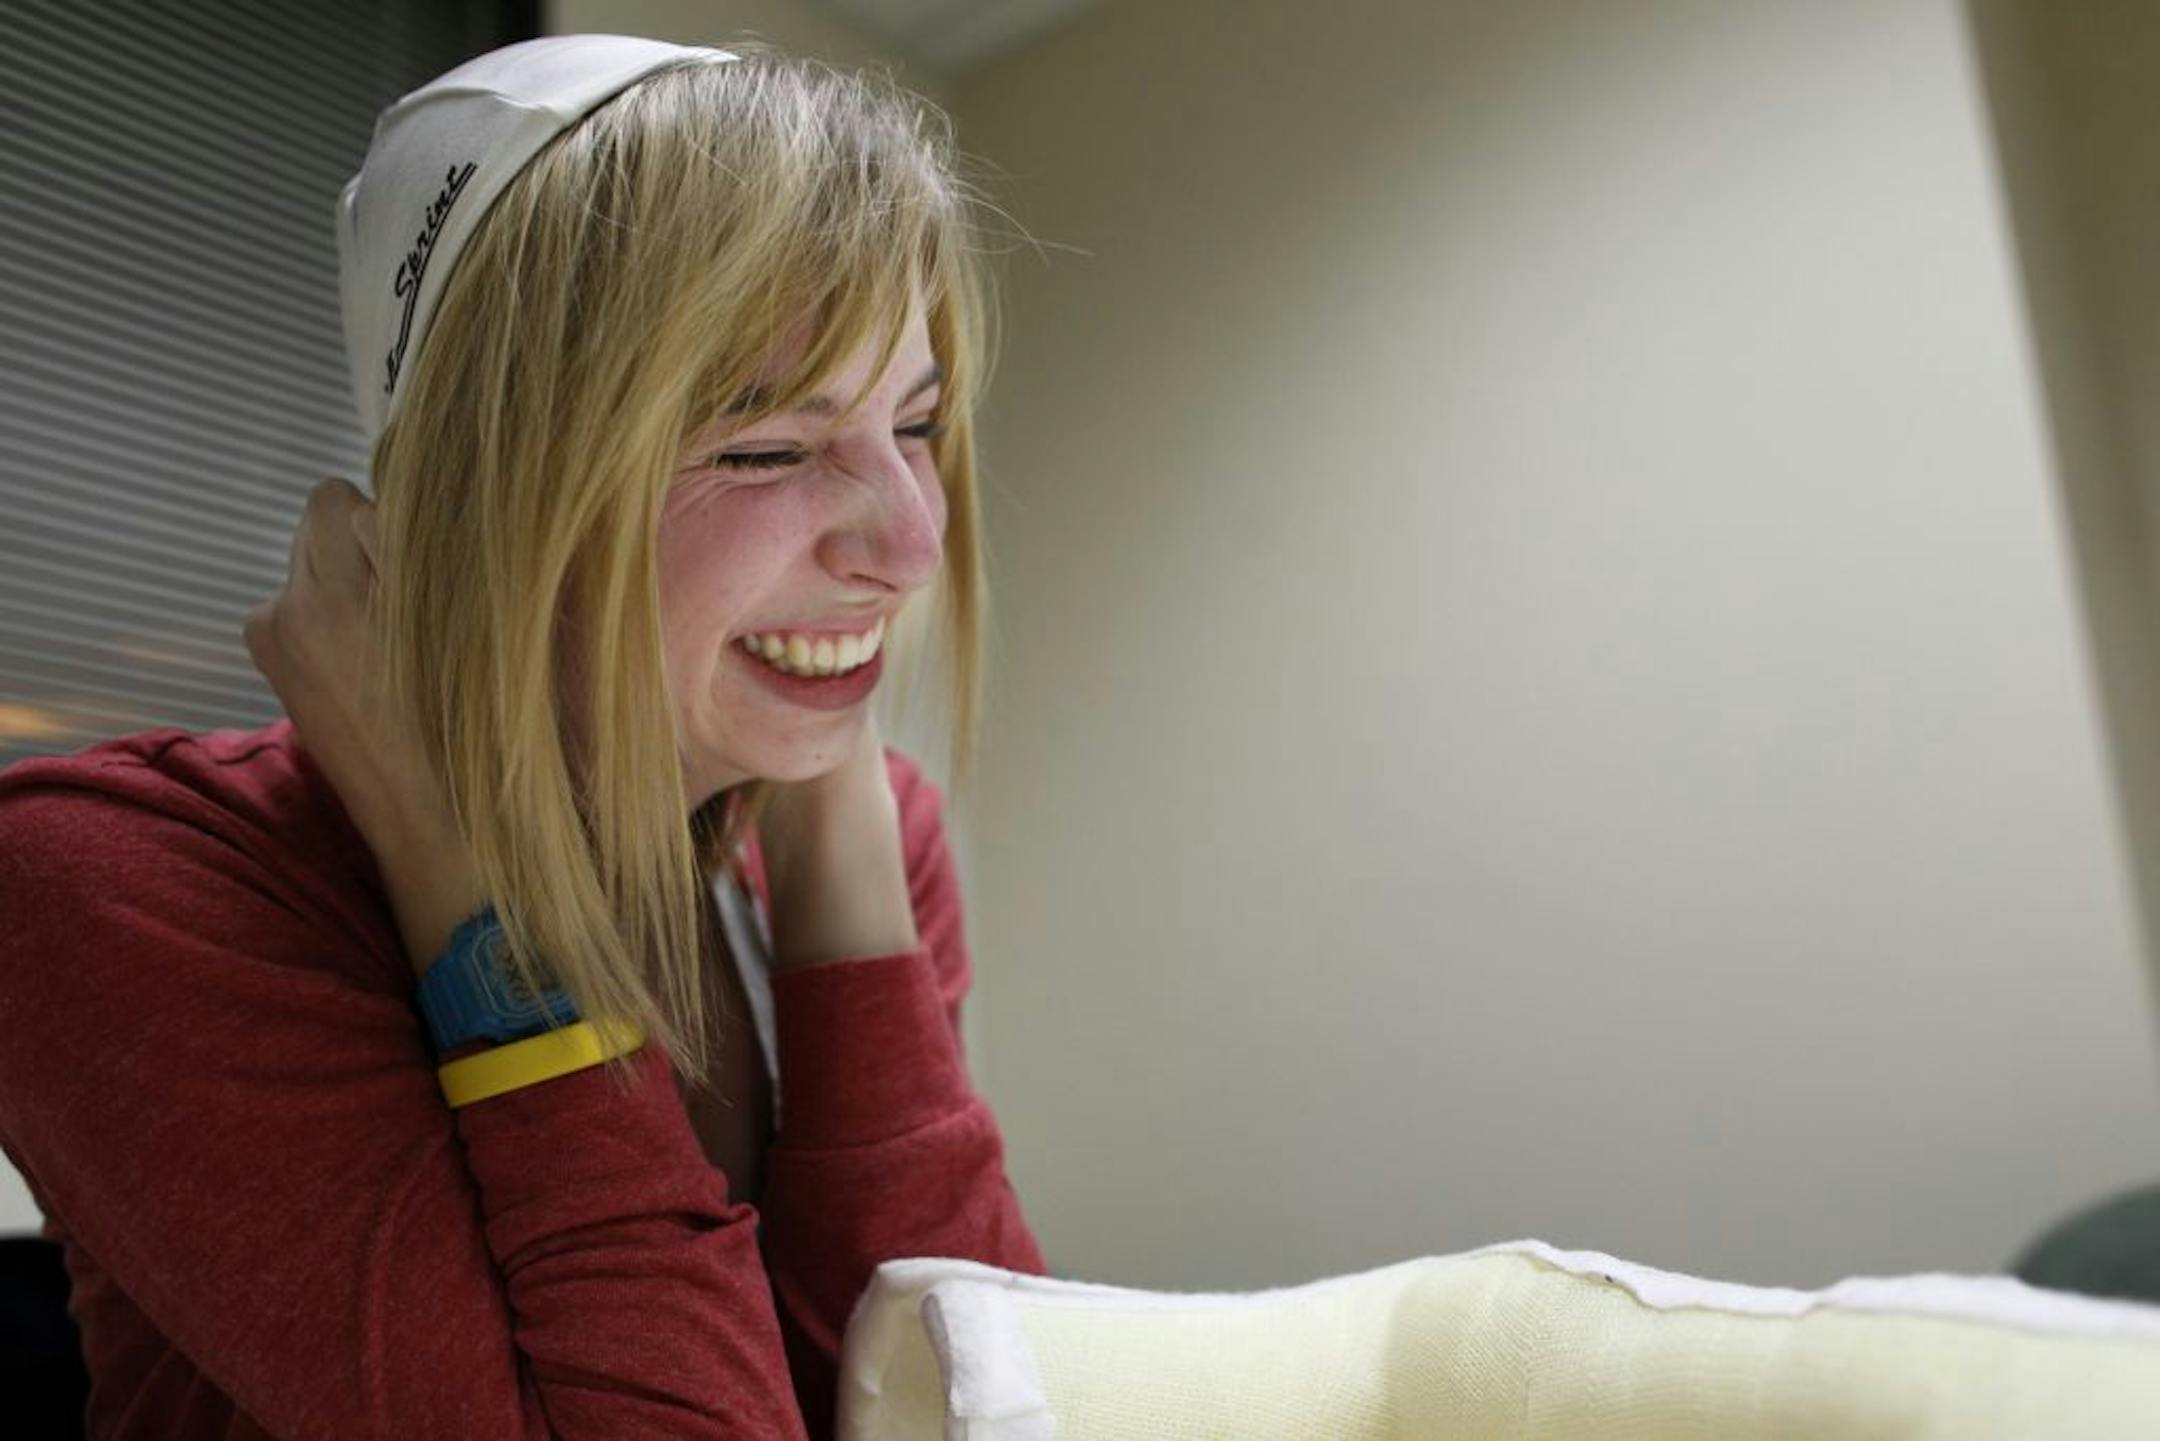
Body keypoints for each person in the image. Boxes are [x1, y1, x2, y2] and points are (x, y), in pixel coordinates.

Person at [0, 33, 1046, 1439]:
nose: (911, 549)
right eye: (767, 449)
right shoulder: (122, 883)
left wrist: (844, 824)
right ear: (483, 496)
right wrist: (470, 884)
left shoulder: (864, 839)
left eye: (915, 425)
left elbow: (975, 1401)